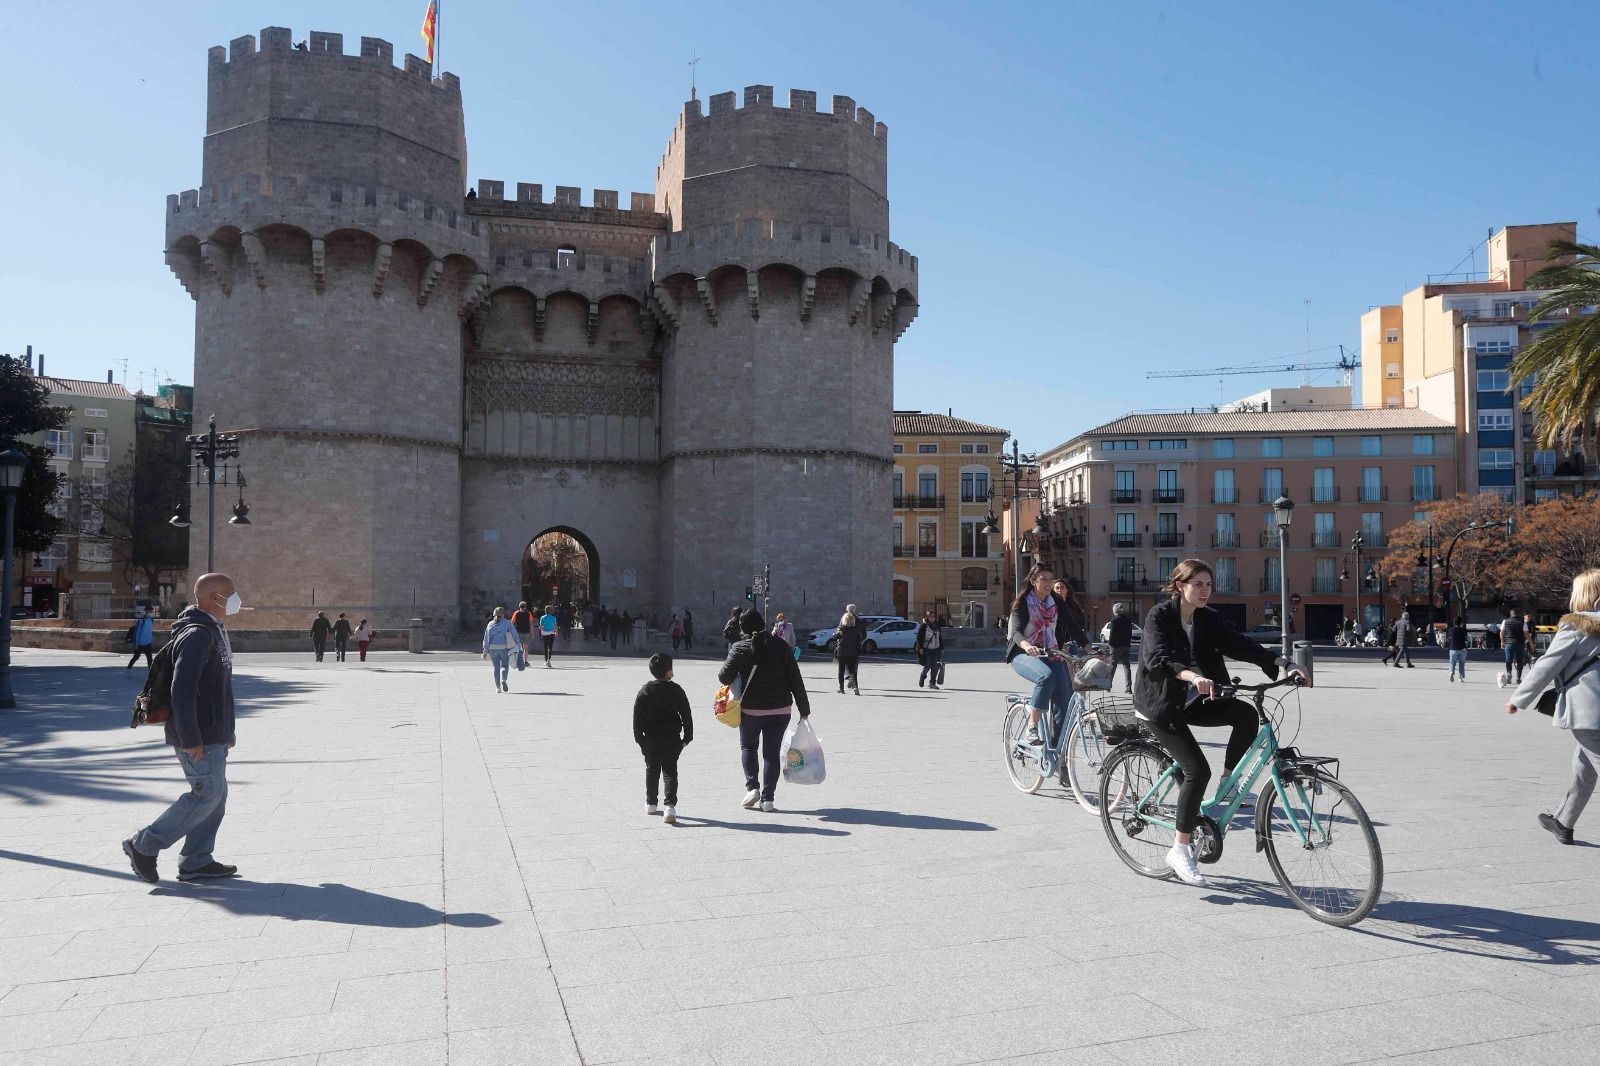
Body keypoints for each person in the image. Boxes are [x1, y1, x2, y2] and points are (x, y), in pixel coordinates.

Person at [1134, 559, 1307, 886]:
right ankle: (1180, 850)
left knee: (1244, 714)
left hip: (1196, 700)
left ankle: (1229, 783)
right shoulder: (1160, 616)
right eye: (1197, 584)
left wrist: (1283, 662)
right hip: (1161, 705)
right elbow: (1159, 657)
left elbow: (1240, 643)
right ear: (1180, 586)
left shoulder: (1208, 618)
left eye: (1209, 584)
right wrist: (1192, 676)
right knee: (1197, 771)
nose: (1204, 591)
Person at [122, 572, 242, 885]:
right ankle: (143, 845)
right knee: (207, 795)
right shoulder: (197, 634)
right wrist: (192, 737)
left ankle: (196, 861)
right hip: (197, 735)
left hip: (212, 733)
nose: (236, 598)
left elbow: (217, 688)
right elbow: (183, 689)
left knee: (216, 798)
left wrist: (226, 731)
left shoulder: (213, 630)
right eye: (230, 593)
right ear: (214, 598)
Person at [1506, 570, 1600, 846]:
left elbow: (1548, 663)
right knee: (1584, 768)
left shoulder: (1576, 626)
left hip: (1588, 712)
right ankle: (1563, 822)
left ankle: (1563, 821)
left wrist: (1518, 698)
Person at [719, 609, 811, 812]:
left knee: (748, 748)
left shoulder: (739, 647)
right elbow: (795, 677)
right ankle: (768, 799)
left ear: (743, 628)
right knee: (771, 753)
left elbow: (724, 677)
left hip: (751, 710)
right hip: (780, 709)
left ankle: (752, 787)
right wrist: (804, 708)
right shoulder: (781, 646)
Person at [1006, 565, 1073, 747]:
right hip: (1022, 654)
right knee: (1046, 677)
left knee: (1064, 700)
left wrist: (1092, 648)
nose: (1048, 583)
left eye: (1051, 579)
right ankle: (1032, 728)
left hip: (1050, 653)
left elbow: (1073, 626)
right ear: (1034, 581)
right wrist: (1027, 646)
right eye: (1043, 578)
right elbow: (1016, 632)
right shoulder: (1022, 603)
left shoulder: (1055, 602)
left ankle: (1057, 751)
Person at [635, 653, 694, 824]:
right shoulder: (676, 690)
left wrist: (640, 740)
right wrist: (687, 737)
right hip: (672, 739)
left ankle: (651, 803)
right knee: (670, 772)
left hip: (650, 739)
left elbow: (637, 719)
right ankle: (670, 806)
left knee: (651, 771)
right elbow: (686, 715)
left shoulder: (644, 691)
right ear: (669, 671)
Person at [481, 606, 519, 692]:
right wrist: (518, 644)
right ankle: (504, 680)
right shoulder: (507, 623)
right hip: (504, 648)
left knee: (496, 667)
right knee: (505, 665)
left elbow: (486, 638)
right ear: (503, 614)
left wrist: (485, 651)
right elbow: (514, 634)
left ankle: (498, 688)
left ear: (494, 613)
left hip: (493, 648)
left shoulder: (490, 624)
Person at [1051, 579, 1092, 650]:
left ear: (1067, 590)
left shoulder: (1074, 607)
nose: (1059, 590)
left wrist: (1084, 643)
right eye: (1057, 588)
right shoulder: (1050, 607)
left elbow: (1076, 625)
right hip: (1056, 644)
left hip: (1073, 643)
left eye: (1062, 587)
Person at [834, 604, 864, 694]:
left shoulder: (842, 629)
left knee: (841, 670)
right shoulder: (856, 631)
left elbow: (835, 637)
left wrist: (835, 635)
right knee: (852, 671)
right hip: (853, 652)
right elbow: (860, 638)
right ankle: (856, 687)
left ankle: (841, 688)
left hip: (842, 652)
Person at [1107, 601, 1136, 693]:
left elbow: (1112, 635)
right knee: (1127, 667)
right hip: (1126, 646)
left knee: (1112, 666)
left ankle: (1108, 685)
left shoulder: (1114, 620)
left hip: (1115, 647)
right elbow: (1130, 633)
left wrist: (1110, 645)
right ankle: (1129, 688)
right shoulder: (1128, 620)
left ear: (1115, 611)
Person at [915, 610, 944, 690]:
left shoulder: (937, 626)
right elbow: (919, 637)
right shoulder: (924, 626)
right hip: (927, 649)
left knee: (935, 666)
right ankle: (922, 676)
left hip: (936, 649)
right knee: (927, 665)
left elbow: (940, 638)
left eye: (933, 616)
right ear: (927, 617)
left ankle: (932, 683)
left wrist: (942, 648)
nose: (932, 618)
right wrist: (920, 648)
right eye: (930, 616)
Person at [126, 606, 156, 670]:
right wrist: (136, 643)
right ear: (145, 612)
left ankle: (150, 669)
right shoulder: (141, 621)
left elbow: (149, 631)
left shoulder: (151, 620)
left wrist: (151, 639)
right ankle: (129, 667)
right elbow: (137, 633)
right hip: (140, 643)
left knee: (149, 657)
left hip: (147, 643)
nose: (150, 613)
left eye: (151, 612)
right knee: (136, 657)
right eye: (149, 612)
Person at [1502, 606, 1527, 684]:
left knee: (1508, 660)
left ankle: (1509, 673)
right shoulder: (1522, 622)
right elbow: (1526, 633)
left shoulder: (1505, 621)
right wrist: (1531, 642)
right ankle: (1518, 678)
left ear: (1511, 614)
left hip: (1509, 643)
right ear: (1517, 614)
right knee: (1520, 661)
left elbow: (1501, 632)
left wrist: (1502, 642)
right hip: (1520, 643)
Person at [1447, 616, 1469, 682]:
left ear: (1454, 623)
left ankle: (1451, 672)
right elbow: (1466, 639)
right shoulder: (1463, 630)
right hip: (1462, 649)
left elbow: (1449, 639)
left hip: (1453, 648)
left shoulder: (1451, 630)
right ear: (1461, 623)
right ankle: (1460, 678)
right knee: (1462, 663)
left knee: (1452, 662)